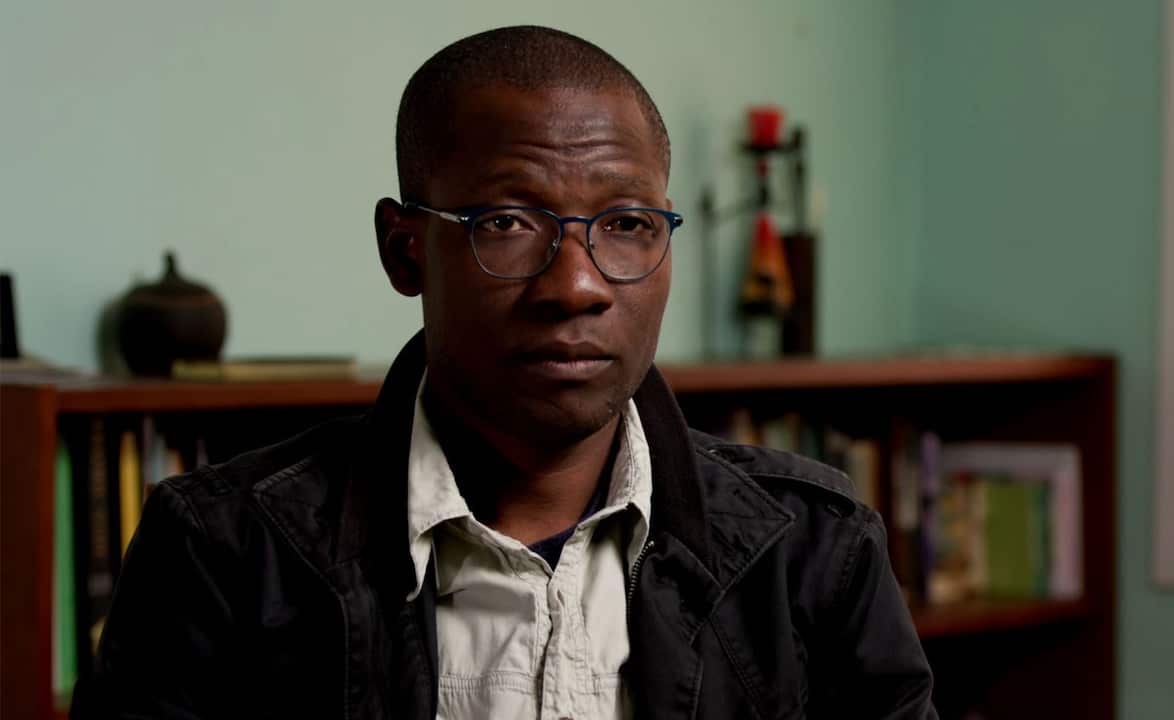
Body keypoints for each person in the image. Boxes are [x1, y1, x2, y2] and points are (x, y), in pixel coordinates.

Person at [71, 25, 935, 719]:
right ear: (405, 249)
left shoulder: (815, 547)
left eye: (629, 223)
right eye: (509, 222)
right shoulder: (223, 551)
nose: (578, 285)